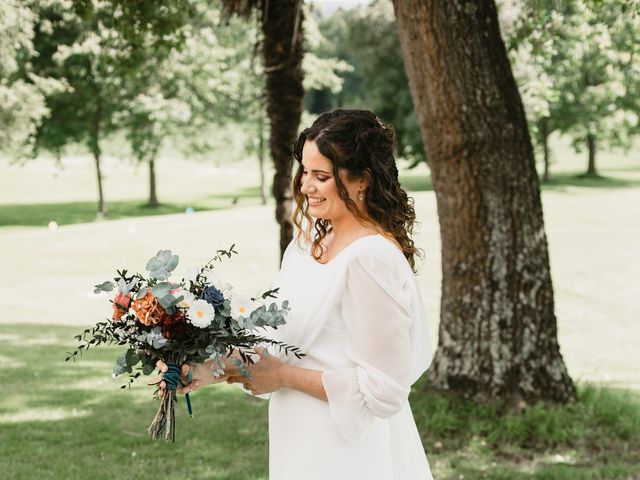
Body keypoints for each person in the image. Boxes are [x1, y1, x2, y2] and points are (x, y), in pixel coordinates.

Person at [157, 109, 434, 479]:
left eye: (321, 176)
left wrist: (285, 377)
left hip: (349, 454)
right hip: (299, 440)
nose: (305, 186)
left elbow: (384, 391)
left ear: (362, 181)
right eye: (304, 171)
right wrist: (207, 369)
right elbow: (279, 344)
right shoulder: (306, 246)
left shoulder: (371, 259)